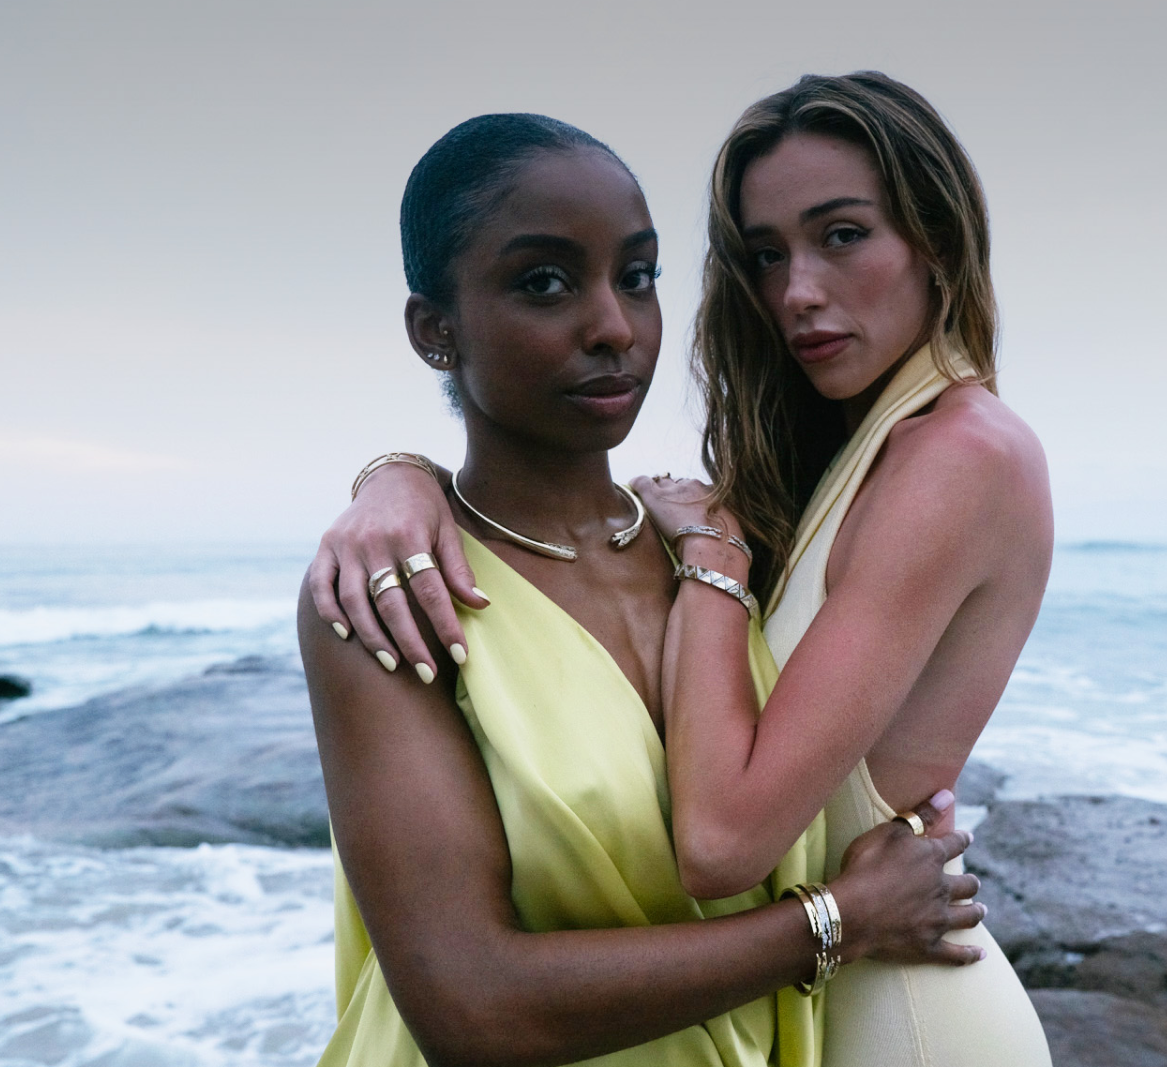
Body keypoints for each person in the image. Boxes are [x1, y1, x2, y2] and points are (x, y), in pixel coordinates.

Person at [314, 74, 1054, 1065]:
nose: (614, 325)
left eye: (638, 276)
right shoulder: (405, 587)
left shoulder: (722, 546)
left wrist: (709, 560)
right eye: (544, 281)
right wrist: (394, 476)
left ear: (939, 234)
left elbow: (729, 836)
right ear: (433, 329)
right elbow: (469, 1002)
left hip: (884, 1018)